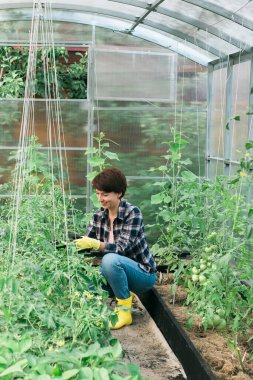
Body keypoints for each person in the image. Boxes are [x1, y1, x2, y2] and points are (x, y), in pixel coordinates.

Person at [74, 167, 157, 330]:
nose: (100, 199)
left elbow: (121, 248)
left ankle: (124, 312)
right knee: (85, 281)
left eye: (105, 194)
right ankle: (93, 315)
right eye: (98, 193)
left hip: (142, 275)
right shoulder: (99, 216)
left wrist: (96, 244)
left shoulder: (132, 213)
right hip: (115, 274)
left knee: (110, 259)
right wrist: (70, 247)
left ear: (118, 193)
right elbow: (86, 244)